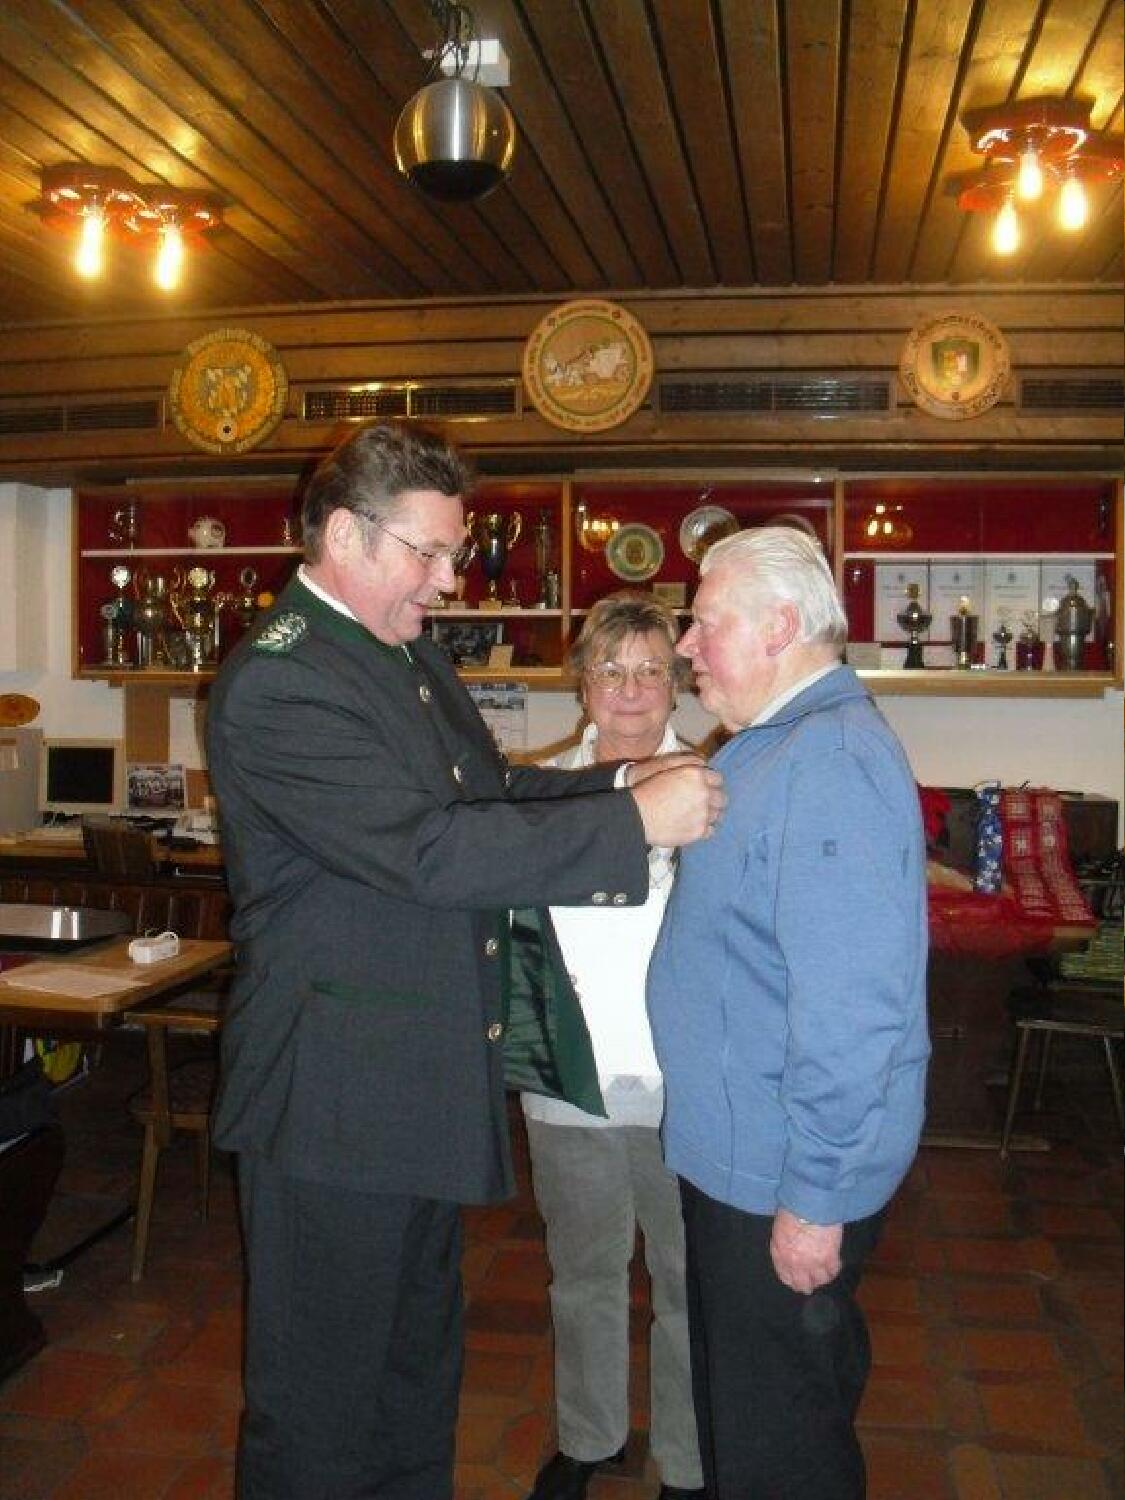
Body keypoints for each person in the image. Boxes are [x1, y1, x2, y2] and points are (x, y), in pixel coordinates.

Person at [205, 421, 724, 1500]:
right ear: (345, 537)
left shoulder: (399, 653)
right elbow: (427, 851)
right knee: (319, 1410)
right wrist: (632, 827)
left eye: (453, 552)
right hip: (330, 1105)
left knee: (412, 1380)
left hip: (414, 1089)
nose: (448, 580)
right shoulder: (281, 680)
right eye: (429, 553)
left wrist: (619, 785)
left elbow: (488, 795)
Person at [648, 526, 930, 1500]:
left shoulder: (829, 762)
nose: (686, 645)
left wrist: (814, 1197)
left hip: (779, 1175)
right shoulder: (784, 746)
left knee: (779, 1451)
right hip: (752, 1159)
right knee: (757, 1423)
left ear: (778, 626)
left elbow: (854, 1014)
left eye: (704, 622)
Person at [522, 594, 704, 1500]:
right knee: (582, 1275)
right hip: (570, 1080)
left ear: (677, 683)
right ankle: (588, 1439)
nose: (630, 692)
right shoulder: (538, 790)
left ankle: (689, 1461)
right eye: (609, 670)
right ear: (581, 684)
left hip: (687, 1089)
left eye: (649, 671)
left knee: (686, 1283)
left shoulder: (715, 789)